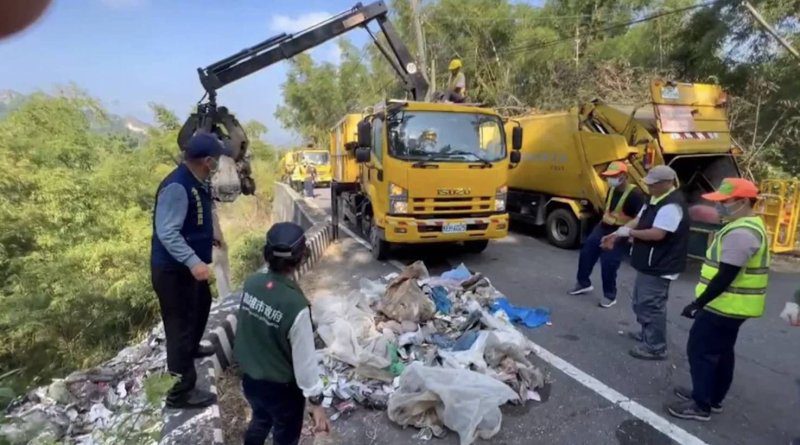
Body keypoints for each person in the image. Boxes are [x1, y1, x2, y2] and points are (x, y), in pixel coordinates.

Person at [666, 178, 770, 421]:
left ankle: (701, 404)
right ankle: (713, 397)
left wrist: (697, 304)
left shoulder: (742, 233)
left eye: (725, 202)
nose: (720, 206)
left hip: (724, 306)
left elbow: (725, 276)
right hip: (732, 306)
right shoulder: (748, 224)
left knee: (701, 351)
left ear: (743, 202)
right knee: (721, 352)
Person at [151, 132, 230, 409]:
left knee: (202, 305)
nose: (218, 164)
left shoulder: (196, 182)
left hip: (187, 267)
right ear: (208, 161)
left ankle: (192, 347)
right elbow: (167, 232)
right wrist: (193, 261)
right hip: (173, 271)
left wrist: (208, 237)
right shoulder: (177, 186)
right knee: (179, 329)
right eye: (217, 159)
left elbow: (190, 220)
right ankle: (180, 393)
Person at [234, 222, 330, 445]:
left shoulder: (251, 284)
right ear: (301, 257)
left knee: (260, 417)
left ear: (267, 254)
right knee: (285, 434)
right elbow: (305, 365)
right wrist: (316, 404)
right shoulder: (295, 307)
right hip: (281, 390)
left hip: (250, 379)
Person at [601, 165, 690, 360]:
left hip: (660, 263)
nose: (649, 187)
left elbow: (658, 234)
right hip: (649, 261)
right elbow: (639, 219)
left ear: (666, 183)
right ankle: (647, 333)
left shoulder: (671, 205)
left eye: (653, 184)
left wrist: (630, 233)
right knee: (641, 301)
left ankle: (655, 346)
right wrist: (619, 232)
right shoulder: (654, 198)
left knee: (651, 304)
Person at [569, 161, 645, 308]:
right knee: (587, 252)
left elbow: (639, 218)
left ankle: (610, 295)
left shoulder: (635, 195)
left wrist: (629, 235)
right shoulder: (612, 189)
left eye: (614, 176)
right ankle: (583, 283)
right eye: (609, 176)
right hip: (603, 226)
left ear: (623, 176)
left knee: (609, 262)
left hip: (619, 230)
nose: (610, 179)